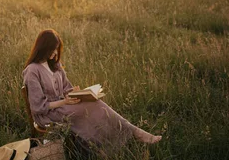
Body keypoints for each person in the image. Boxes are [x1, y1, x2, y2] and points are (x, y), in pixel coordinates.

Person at [22, 29, 162, 150]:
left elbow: (66, 88)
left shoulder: (55, 64)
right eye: (52, 49)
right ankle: (132, 134)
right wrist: (64, 102)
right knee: (95, 106)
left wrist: (75, 92)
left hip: (63, 106)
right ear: (43, 47)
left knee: (95, 102)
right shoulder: (32, 70)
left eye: (56, 48)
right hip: (48, 114)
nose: (54, 52)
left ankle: (114, 139)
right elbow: (37, 107)